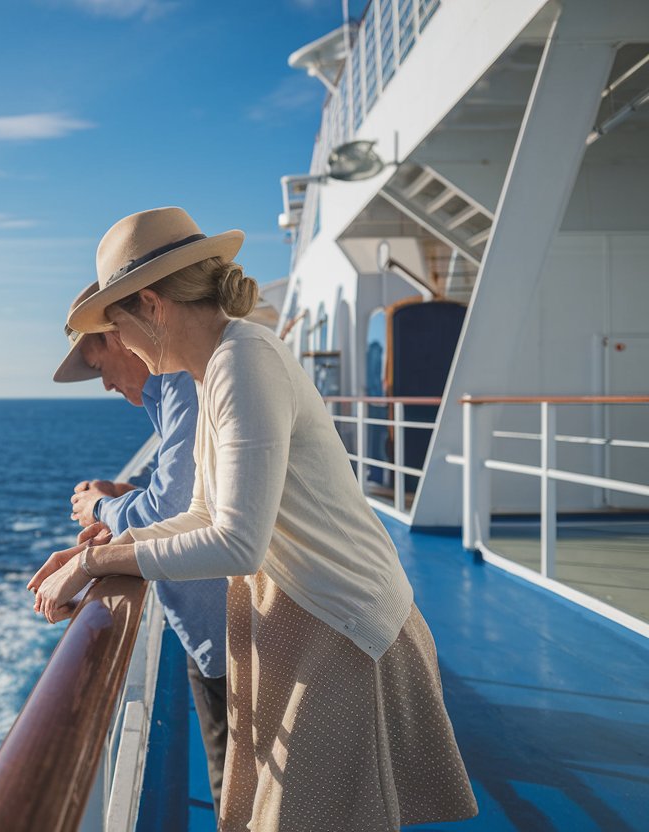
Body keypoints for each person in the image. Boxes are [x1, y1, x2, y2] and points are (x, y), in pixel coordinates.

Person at [30, 208, 477, 831]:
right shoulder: (219, 365)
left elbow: (236, 542)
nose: (120, 345)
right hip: (312, 627)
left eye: (117, 324)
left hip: (342, 633)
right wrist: (95, 552)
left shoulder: (244, 362)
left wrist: (96, 559)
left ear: (153, 307)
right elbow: (201, 514)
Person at [53, 281, 229, 812]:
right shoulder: (174, 389)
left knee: (240, 797)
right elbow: (184, 489)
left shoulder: (187, 382)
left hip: (232, 631)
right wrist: (122, 497)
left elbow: (173, 511)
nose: (103, 383)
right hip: (213, 628)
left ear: (122, 334)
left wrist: (99, 514)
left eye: (97, 360)